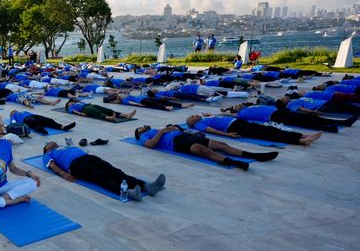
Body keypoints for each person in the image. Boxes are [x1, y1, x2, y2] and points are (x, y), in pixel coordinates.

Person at [42, 141, 166, 201]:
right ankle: (129, 193)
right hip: (76, 165)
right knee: (102, 177)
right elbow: (52, 166)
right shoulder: (48, 154)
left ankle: (147, 186)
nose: (51, 142)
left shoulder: (64, 146)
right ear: (46, 149)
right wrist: (64, 174)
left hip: (88, 157)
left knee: (116, 172)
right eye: (48, 144)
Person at [134, 125, 279, 171]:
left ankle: (255, 155)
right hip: (176, 143)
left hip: (183, 135)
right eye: (140, 127)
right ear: (139, 132)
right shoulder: (143, 136)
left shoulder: (153, 128)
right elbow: (150, 145)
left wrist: (173, 128)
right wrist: (162, 132)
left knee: (221, 145)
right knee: (203, 151)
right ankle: (235, 163)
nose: (144, 126)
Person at [185, 114, 322, 146]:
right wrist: (227, 134)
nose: (194, 115)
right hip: (234, 127)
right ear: (192, 123)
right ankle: (299, 140)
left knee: (267, 129)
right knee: (267, 134)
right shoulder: (199, 125)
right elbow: (211, 130)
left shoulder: (204, 118)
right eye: (192, 117)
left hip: (238, 122)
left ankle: (302, 136)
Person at [221, 103, 356, 133]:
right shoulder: (241, 114)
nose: (239, 104)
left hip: (279, 111)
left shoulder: (249, 107)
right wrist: (227, 110)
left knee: (308, 117)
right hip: (274, 116)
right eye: (236, 105)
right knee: (304, 122)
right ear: (236, 110)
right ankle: (330, 128)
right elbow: (228, 115)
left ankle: (341, 122)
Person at [65, 98, 136, 122]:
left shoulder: (78, 102)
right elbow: (74, 111)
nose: (71, 102)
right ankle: (110, 118)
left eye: (71, 102)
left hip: (89, 105)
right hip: (85, 109)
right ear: (68, 105)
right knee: (97, 112)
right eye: (69, 103)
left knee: (107, 110)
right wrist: (80, 114)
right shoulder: (70, 107)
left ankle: (126, 115)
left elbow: (76, 99)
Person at [9, 109, 76, 134]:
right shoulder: (13, 115)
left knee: (49, 120)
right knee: (32, 122)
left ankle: (63, 127)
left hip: (35, 116)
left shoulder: (23, 111)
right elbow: (13, 123)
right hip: (26, 119)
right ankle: (41, 129)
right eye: (13, 111)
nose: (15, 110)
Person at [103, 93, 194, 111]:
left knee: (162, 100)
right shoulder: (123, 100)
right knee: (154, 104)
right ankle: (165, 108)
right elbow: (131, 103)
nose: (118, 95)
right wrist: (138, 104)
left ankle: (181, 105)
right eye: (115, 96)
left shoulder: (123, 95)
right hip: (142, 100)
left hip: (142, 97)